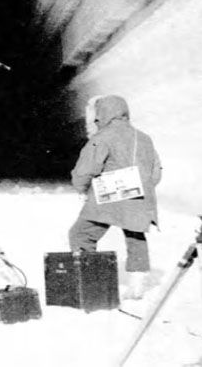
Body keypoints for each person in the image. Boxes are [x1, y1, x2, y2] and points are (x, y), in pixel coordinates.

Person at [68, 95, 161, 299]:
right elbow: (156, 173)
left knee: (81, 234)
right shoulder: (144, 138)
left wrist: (82, 188)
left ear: (102, 114)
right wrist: (140, 188)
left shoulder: (101, 138)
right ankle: (137, 284)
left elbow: (85, 170)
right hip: (139, 196)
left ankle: (90, 284)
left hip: (107, 196)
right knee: (135, 235)